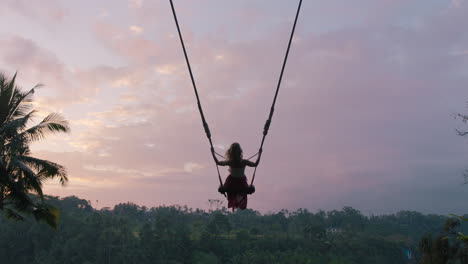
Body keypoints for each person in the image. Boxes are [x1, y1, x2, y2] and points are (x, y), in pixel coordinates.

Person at [211, 142, 262, 211]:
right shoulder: (244, 162)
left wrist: (213, 153)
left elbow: (218, 163)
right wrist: (260, 154)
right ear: (240, 152)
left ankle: (235, 200)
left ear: (230, 152)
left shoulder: (230, 162)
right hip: (241, 183)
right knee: (248, 190)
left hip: (231, 182)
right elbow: (255, 164)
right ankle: (238, 200)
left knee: (223, 189)